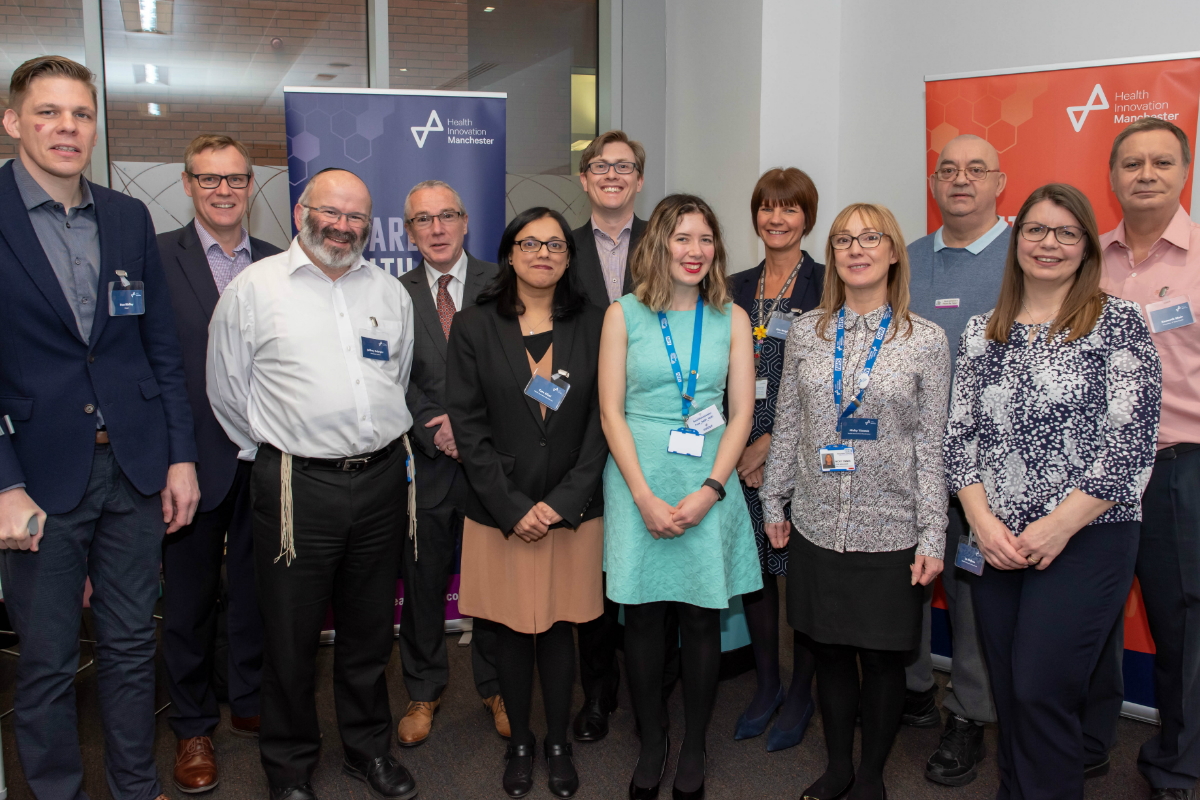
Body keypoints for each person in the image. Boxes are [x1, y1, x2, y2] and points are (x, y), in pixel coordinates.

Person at [0, 55, 199, 800]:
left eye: (81, 114)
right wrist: (4, 483)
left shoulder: (126, 217)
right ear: (14, 122)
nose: (66, 128)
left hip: (135, 470)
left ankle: (133, 788)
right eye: (48, 112)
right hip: (38, 480)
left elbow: (158, 352)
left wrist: (181, 459)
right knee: (49, 662)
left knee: (127, 648)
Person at [207, 168, 418, 800]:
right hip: (297, 489)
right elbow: (227, 391)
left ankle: (366, 750)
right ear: (303, 210)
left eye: (356, 216)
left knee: (369, 631)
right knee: (291, 638)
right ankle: (290, 767)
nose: (343, 226)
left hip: (381, 482)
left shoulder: (389, 292)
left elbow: (397, 379)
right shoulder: (254, 289)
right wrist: (284, 448)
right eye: (332, 211)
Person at [945, 183, 1161, 800]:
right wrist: (982, 525)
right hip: (997, 540)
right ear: (1017, 242)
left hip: (1087, 537)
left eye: (1067, 232)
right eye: (1037, 229)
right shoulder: (987, 331)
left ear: (1087, 246)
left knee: (1042, 689)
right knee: (1012, 689)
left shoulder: (1117, 323)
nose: (1050, 243)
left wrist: (1057, 527)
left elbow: (1128, 448)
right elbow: (961, 439)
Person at [760, 202, 950, 800]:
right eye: (844, 239)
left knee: (884, 661)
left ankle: (871, 776)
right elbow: (788, 421)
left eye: (871, 237)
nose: (856, 248)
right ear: (834, 255)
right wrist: (774, 501)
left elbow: (932, 445)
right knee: (830, 654)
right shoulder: (810, 334)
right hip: (816, 524)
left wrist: (933, 535)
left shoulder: (927, 341)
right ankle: (839, 765)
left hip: (891, 532)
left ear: (894, 252)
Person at [599, 193, 761, 799]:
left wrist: (713, 490)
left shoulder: (733, 318)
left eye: (705, 239)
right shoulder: (625, 314)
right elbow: (610, 412)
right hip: (638, 478)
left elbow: (741, 412)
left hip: (707, 481)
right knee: (640, 620)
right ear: (659, 244)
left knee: (700, 620)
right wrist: (641, 495)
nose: (694, 252)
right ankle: (652, 739)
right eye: (682, 238)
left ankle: (693, 744)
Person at [447, 207, 608, 799]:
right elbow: (468, 425)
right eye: (530, 242)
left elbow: (601, 421)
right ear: (509, 252)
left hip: (573, 508)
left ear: (569, 258)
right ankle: (521, 744)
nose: (543, 253)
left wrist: (565, 500)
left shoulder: (596, 323)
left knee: (562, 625)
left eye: (556, 245)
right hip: (500, 510)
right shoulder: (474, 325)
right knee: (512, 632)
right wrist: (513, 506)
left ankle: (559, 743)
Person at [157, 133, 281, 793]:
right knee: (189, 599)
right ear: (187, 184)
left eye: (235, 179)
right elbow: (151, 366)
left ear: (249, 185)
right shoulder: (156, 259)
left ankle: (248, 694)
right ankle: (193, 725)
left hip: (264, 457)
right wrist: (169, 457)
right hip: (191, 461)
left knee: (259, 588)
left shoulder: (277, 261)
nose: (224, 190)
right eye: (209, 179)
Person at [1092, 117, 1200, 800]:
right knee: (1087, 613)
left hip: (1178, 463)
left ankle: (1179, 764)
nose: (1147, 174)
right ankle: (1085, 743)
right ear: (1112, 177)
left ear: (1185, 173)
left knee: (1184, 621)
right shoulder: (1085, 257)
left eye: (1162, 162)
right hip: (1092, 467)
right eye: (1132, 163)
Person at [904, 133, 1007, 786]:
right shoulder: (907, 261)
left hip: (990, 471)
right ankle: (911, 691)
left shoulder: (1026, 258)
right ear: (934, 183)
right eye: (948, 170)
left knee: (973, 596)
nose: (961, 180)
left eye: (976, 170)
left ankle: (969, 712)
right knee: (908, 583)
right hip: (911, 463)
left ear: (1000, 180)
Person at [571, 128, 679, 743]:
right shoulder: (560, 245)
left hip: (656, 432)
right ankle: (598, 693)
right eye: (599, 166)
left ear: (640, 179)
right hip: (581, 429)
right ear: (584, 179)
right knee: (598, 573)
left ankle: (654, 696)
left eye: (624, 166)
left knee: (655, 565)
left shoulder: (667, 245)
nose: (612, 174)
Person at [397, 178, 506, 746]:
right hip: (426, 464)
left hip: (489, 462)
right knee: (422, 584)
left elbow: (520, 365)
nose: (436, 229)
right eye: (423, 219)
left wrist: (471, 433)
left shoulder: (501, 283)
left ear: (466, 222)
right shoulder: (392, 292)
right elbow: (389, 376)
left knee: (491, 582)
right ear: (409, 230)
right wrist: (432, 428)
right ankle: (423, 690)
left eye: (447, 216)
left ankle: (496, 686)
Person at [729, 167, 824, 752]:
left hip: (806, 449)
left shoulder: (829, 281)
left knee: (805, 575)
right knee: (757, 571)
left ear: (806, 218)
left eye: (789, 209)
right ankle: (767, 685)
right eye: (767, 207)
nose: (777, 218)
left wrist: (773, 442)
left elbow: (834, 378)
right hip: (739, 449)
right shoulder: (735, 285)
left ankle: (804, 690)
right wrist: (740, 442)